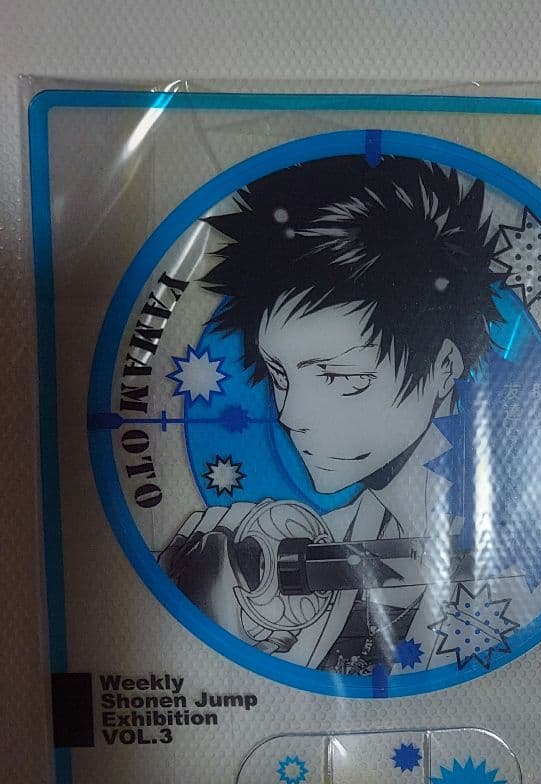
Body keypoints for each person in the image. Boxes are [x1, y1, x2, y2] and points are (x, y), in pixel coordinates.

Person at [160, 154, 507, 674]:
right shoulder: (306, 549)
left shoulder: (524, 537)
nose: (289, 414)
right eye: (280, 375)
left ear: (443, 367)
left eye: (342, 377)